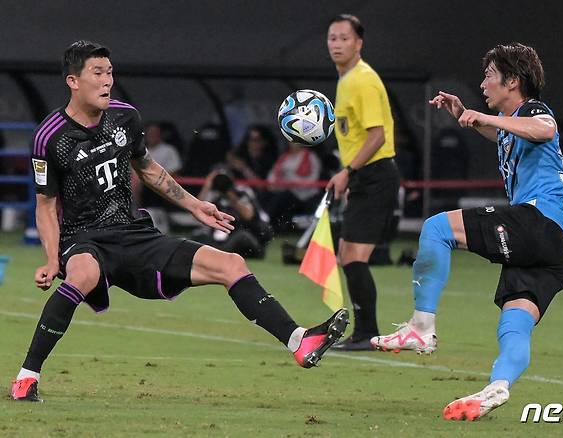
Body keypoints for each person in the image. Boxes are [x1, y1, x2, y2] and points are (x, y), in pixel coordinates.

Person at [11, 41, 349, 402]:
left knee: (230, 263)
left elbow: (149, 170)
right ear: (73, 81)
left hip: (135, 234)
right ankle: (27, 377)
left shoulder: (126, 117)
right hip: (83, 239)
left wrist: (195, 206)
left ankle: (298, 340)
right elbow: (45, 205)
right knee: (83, 275)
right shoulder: (51, 136)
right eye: (98, 73)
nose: (108, 80)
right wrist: (51, 258)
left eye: (110, 72)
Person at [371, 43, 563, 421]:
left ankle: (421, 327)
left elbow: (544, 129)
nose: (482, 84)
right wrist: (466, 115)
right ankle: (497, 387)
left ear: (512, 81)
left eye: (489, 76)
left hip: (535, 223)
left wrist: (486, 116)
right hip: (556, 251)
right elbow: (508, 136)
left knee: (437, 228)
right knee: (515, 323)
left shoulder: (534, 112)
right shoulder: (513, 127)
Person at [325, 14, 400, 351]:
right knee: (348, 255)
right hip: (364, 176)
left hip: (375, 174)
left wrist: (348, 172)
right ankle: (363, 332)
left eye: (344, 38)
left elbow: (377, 136)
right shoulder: (346, 80)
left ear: (359, 43)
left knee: (353, 256)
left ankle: (366, 333)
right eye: (332, 38)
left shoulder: (363, 80)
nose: (337, 44)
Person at [194, 166, 273, 258]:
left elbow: (248, 215)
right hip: (222, 239)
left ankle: (218, 252)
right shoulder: (215, 197)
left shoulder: (242, 192)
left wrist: (230, 194)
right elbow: (197, 210)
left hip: (246, 236)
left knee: (242, 236)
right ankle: (217, 251)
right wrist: (207, 186)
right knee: (198, 235)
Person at [264, 141, 322, 233]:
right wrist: (276, 183)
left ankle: (265, 221)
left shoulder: (311, 156)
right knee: (269, 196)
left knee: (282, 198)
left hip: (307, 194)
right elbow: (273, 175)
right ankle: (266, 222)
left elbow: (313, 179)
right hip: (286, 191)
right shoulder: (284, 157)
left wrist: (291, 179)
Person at [137, 122, 183, 232]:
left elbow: (175, 172)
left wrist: (156, 179)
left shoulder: (168, 150)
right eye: (150, 133)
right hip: (142, 188)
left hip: (162, 190)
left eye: (155, 133)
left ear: (161, 135)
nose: (152, 136)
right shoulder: (141, 150)